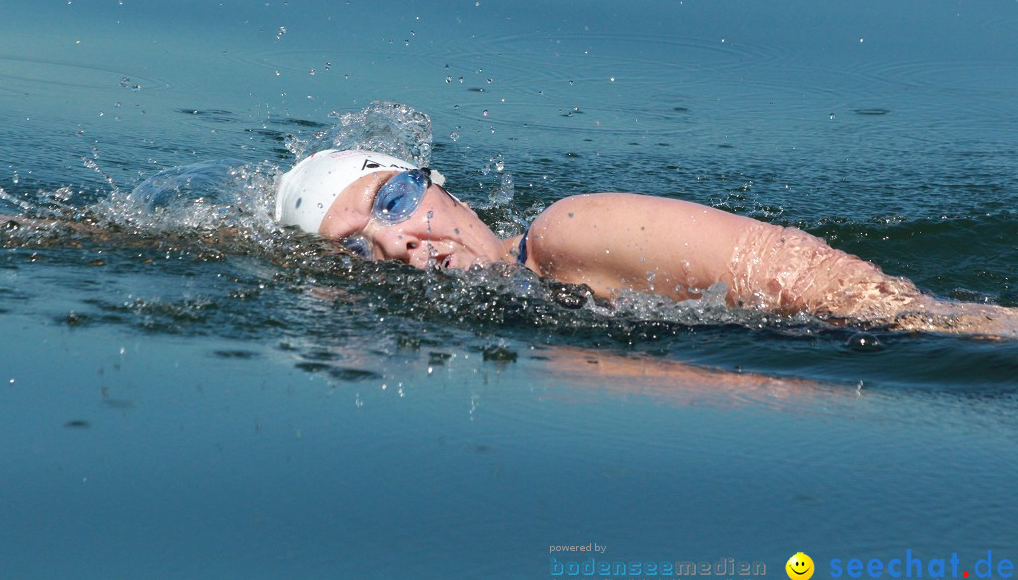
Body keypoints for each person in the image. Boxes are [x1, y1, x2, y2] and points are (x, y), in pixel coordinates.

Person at [276, 148, 1017, 336]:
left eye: (394, 200)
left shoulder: (569, 233)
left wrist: (962, 333)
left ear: (442, 186)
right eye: (358, 247)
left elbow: (824, 287)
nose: (399, 238)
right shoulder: (529, 303)